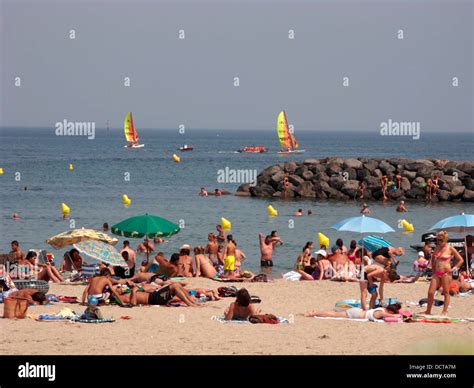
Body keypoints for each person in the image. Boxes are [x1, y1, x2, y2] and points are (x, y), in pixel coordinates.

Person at [423, 231, 463, 315]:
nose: (439, 241)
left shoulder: (450, 248)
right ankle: (428, 311)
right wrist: (433, 269)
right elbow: (433, 259)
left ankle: (444, 311)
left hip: (446, 273)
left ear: (445, 239)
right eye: (438, 239)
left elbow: (460, 260)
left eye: (441, 239)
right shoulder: (437, 247)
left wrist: (454, 269)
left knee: (445, 292)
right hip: (436, 273)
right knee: (430, 292)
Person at [115, 282, 201, 307]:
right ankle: (189, 303)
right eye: (118, 288)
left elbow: (144, 291)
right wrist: (134, 291)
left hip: (154, 295)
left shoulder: (127, 292)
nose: (120, 287)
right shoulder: (123, 297)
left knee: (176, 284)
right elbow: (133, 304)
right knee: (174, 286)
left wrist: (149, 289)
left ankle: (191, 301)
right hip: (153, 299)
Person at [304, 302, 402, 321]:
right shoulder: (381, 312)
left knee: (334, 313)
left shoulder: (382, 309)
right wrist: (398, 316)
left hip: (358, 312)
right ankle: (314, 313)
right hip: (356, 314)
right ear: (390, 311)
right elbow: (392, 316)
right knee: (334, 314)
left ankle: (316, 312)